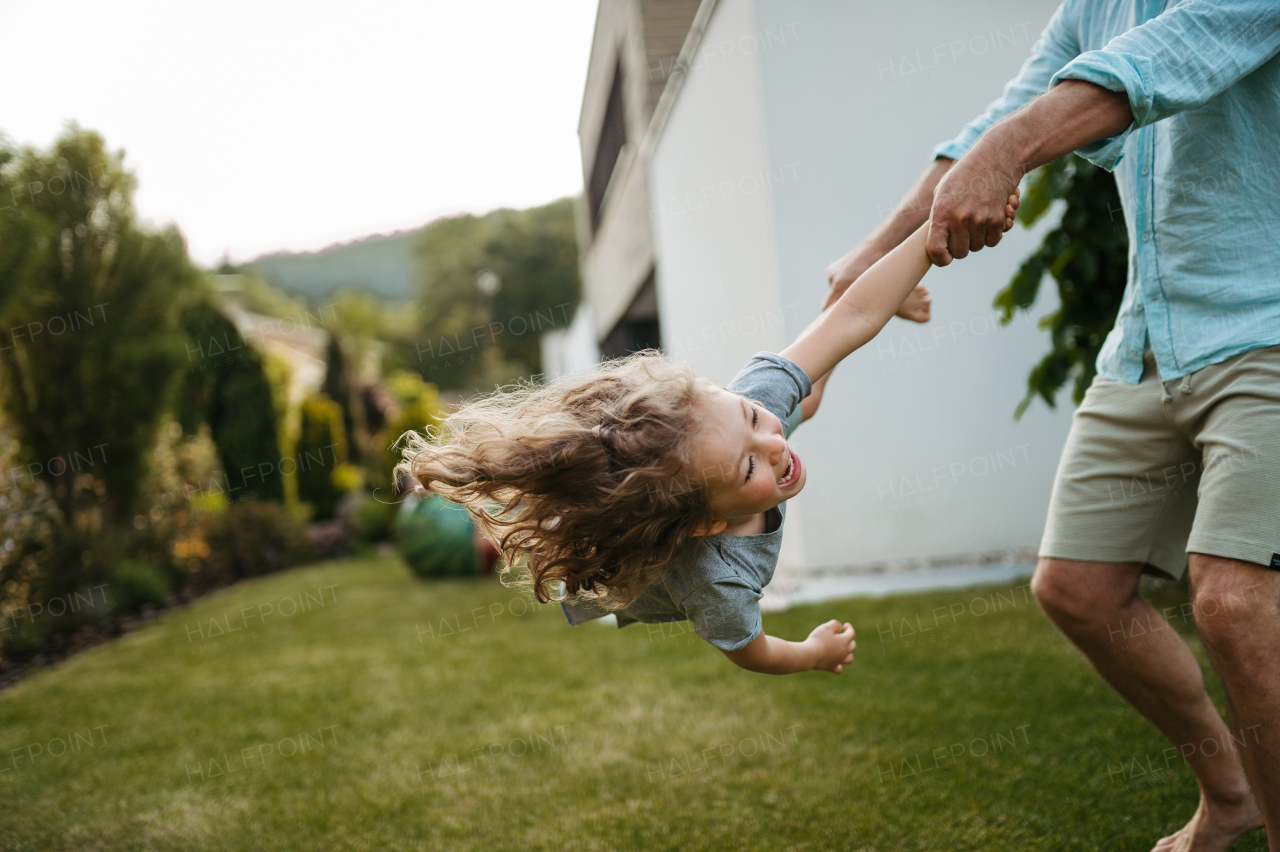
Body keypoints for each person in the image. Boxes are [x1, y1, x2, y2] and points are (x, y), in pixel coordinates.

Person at [826, 3, 1280, 850]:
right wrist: (872, 256)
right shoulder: (1093, 6)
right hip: (1150, 338)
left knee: (1234, 601)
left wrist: (1006, 155)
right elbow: (999, 120)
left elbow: (1154, 64)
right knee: (1076, 586)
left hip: (1269, 326)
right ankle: (1231, 796)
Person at [399, 200, 1016, 675]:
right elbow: (753, 652)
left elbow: (850, 323)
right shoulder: (717, 581)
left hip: (716, 455)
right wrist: (814, 652)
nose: (776, 446)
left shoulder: (748, 408)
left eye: (752, 422)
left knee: (807, 393)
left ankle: (842, 279)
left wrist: (933, 233)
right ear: (707, 522)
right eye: (749, 469)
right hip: (642, 566)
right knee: (602, 525)